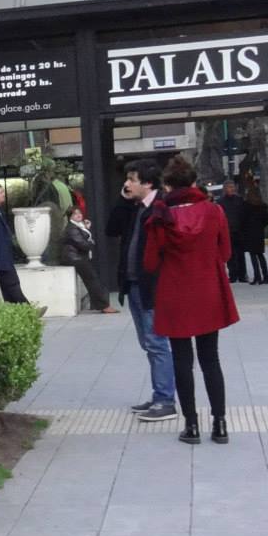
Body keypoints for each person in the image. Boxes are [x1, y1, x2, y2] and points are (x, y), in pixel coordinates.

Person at [144, 155, 240, 445]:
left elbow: (150, 262)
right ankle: (220, 424)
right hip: (208, 290)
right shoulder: (214, 212)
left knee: (182, 361)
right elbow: (225, 253)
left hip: (175, 293)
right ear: (194, 182)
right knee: (211, 358)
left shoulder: (161, 217)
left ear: (168, 185)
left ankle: (192, 426)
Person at [119, 163, 177, 420]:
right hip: (134, 285)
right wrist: (124, 200)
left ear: (148, 184)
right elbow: (111, 227)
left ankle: (166, 400)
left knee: (156, 343)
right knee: (148, 343)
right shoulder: (137, 209)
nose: (127, 185)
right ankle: (158, 396)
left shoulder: (160, 209)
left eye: (132, 180)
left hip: (152, 287)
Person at [60, 208, 110, 313]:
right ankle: (104, 306)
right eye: (75, 214)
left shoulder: (78, 226)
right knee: (92, 279)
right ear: (70, 217)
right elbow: (83, 245)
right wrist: (91, 242)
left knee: (93, 278)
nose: (78, 215)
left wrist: (86, 228)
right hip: (74, 258)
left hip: (78, 257)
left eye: (79, 213)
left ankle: (100, 305)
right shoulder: (72, 228)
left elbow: (83, 240)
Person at [241, 182, 268, 285]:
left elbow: (243, 219)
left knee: (253, 256)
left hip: (249, 233)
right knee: (260, 255)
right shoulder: (262, 206)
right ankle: (266, 277)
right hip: (259, 232)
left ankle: (257, 276)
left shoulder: (246, 205)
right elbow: (266, 221)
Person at [219, 180, 248, 284]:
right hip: (228, 231)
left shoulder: (239, 200)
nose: (231, 189)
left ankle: (242, 275)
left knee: (241, 254)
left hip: (239, 231)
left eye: (232, 187)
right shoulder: (221, 202)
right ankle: (233, 275)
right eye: (229, 187)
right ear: (225, 189)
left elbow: (244, 215)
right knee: (230, 255)